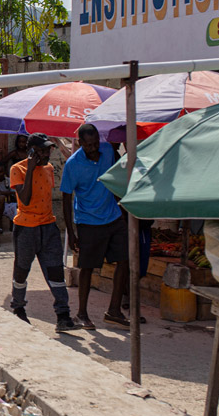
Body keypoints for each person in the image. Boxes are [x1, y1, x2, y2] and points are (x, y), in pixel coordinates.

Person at [60, 124, 141, 330]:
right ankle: (81, 313)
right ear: (79, 143)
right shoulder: (72, 164)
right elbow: (66, 199)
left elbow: (113, 178)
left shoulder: (106, 150)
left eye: (95, 143)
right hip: (88, 221)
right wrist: (71, 232)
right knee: (87, 267)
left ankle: (114, 310)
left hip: (113, 216)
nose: (93, 148)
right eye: (88, 145)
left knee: (125, 260)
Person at [9, 133, 79, 332]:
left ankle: (63, 314)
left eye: (48, 149)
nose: (46, 154)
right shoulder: (18, 169)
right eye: (42, 150)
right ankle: (18, 307)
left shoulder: (49, 168)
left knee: (55, 270)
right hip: (26, 228)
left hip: (48, 226)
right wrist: (30, 170)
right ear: (32, 152)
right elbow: (26, 199)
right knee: (22, 269)